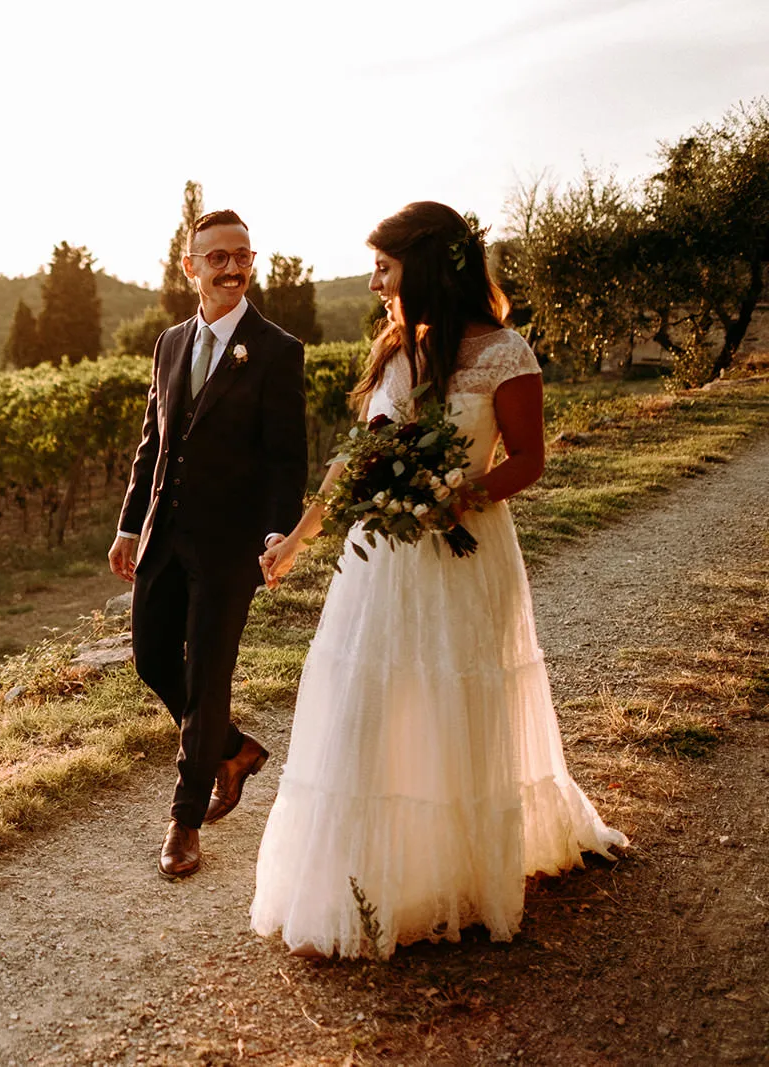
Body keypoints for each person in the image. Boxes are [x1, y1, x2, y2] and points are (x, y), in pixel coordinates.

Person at [250, 201, 628, 958]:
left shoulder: (506, 353)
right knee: (369, 702)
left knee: (459, 698)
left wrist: (458, 494)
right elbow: (354, 462)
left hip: (463, 550)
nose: (373, 282)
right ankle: (366, 877)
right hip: (381, 563)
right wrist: (295, 539)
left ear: (422, 267)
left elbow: (527, 457)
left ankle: (461, 868)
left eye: (384, 268)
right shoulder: (395, 353)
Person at [110, 209, 309, 880]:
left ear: (253, 261)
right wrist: (129, 524)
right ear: (189, 267)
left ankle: (185, 819)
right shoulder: (169, 344)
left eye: (242, 255)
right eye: (216, 256)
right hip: (163, 537)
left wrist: (279, 531)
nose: (231, 266)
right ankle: (231, 747)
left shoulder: (278, 350)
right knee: (150, 659)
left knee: (209, 677)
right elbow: (152, 444)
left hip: (229, 550)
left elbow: (287, 460)